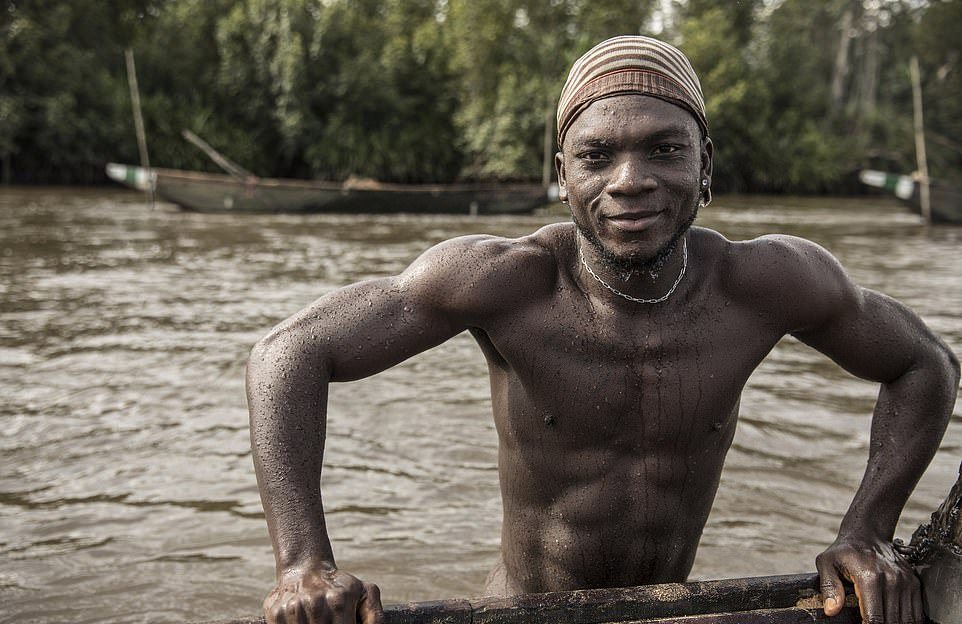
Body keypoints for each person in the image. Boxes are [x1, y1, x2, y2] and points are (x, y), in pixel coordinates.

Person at [247, 35, 959, 624]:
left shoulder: (767, 283)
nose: (629, 180)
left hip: (670, 612)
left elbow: (925, 364)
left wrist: (868, 530)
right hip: (523, 615)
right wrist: (304, 564)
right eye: (596, 157)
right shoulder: (504, 281)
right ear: (563, 175)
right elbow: (289, 354)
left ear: (705, 167)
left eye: (664, 151)